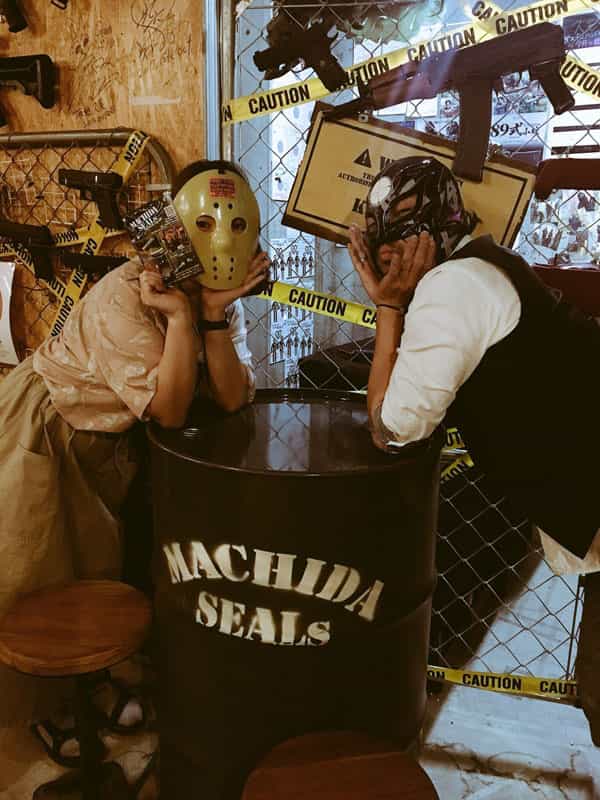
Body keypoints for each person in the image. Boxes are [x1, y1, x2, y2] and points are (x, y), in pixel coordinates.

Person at [0, 158, 268, 757]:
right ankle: (50, 709)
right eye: (203, 223)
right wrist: (179, 316)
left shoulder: (215, 295)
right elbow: (169, 410)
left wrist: (212, 314)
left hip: (112, 437)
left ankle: (99, 680)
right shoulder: (123, 294)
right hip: (53, 425)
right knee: (40, 571)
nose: (220, 238)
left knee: (97, 565)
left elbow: (230, 396)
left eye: (235, 223)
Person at [347, 155, 600, 744]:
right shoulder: (484, 263)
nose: (389, 263)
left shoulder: (451, 289)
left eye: (400, 246)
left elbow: (393, 428)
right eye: (382, 251)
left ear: (433, 237)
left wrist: (388, 308)